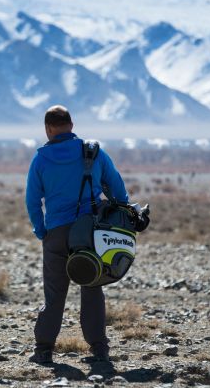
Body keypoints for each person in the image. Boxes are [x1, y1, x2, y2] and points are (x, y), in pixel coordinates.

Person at [25, 105, 128, 365]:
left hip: (57, 233)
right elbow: (118, 191)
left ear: (48, 129)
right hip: (91, 232)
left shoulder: (40, 159)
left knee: (54, 293)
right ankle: (99, 349)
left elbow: (32, 201)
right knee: (92, 287)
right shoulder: (93, 152)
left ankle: (44, 349)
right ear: (71, 125)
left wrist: (42, 232)